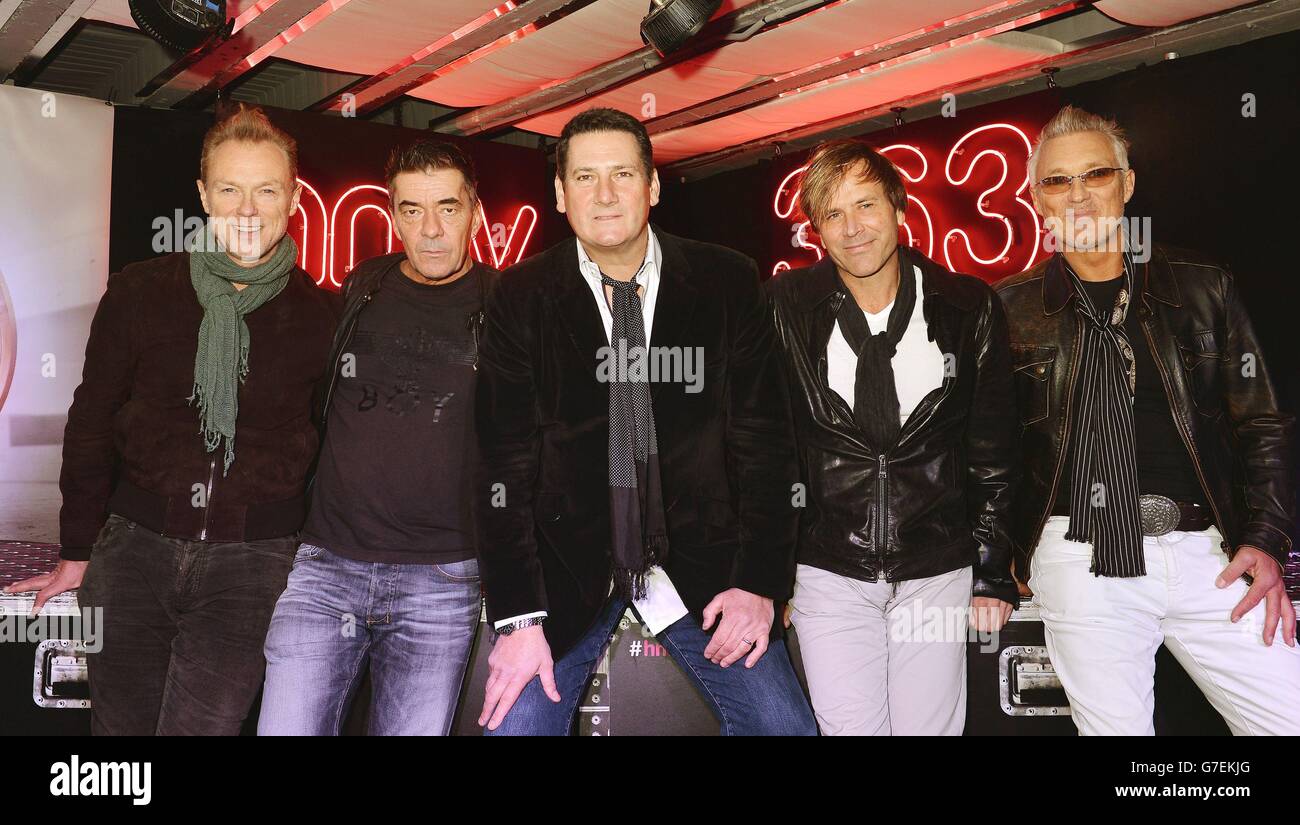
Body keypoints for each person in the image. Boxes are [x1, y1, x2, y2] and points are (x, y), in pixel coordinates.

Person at [474, 107, 816, 736]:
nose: (604, 195)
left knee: (785, 729)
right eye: (584, 178)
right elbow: (500, 467)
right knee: (516, 729)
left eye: (623, 174)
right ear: (559, 194)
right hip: (566, 574)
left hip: (701, 568)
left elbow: (766, 445)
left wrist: (758, 584)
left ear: (653, 186)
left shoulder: (727, 280)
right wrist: (518, 619)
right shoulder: (519, 295)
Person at [4, 104, 340, 734]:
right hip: (134, 552)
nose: (247, 209)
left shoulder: (322, 314)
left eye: (266, 190)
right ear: (203, 196)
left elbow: (326, 443)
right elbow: (92, 419)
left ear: (292, 197)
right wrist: (78, 548)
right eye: (230, 189)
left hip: (253, 563)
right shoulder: (141, 290)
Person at [996, 104, 1300, 735]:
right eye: (1058, 181)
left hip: (1207, 555)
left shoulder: (1202, 285)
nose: (1078, 194)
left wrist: (1266, 540)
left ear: (1127, 184)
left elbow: (1263, 421)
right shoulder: (1007, 310)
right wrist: (1001, 558)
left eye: (1096, 174)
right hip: (1079, 553)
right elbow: (987, 451)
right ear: (1036, 198)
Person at [767, 139, 1018, 735]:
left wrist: (991, 568)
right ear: (817, 232)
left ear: (900, 213)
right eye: (833, 213)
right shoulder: (784, 307)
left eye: (866, 206)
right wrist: (767, 573)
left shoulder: (965, 306)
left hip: (936, 567)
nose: (853, 228)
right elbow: (766, 450)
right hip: (828, 570)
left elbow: (994, 449)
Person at [259, 140, 497, 735]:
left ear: (474, 209)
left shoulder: (507, 308)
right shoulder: (364, 287)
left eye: (448, 206)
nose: (433, 229)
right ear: (393, 216)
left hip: (441, 581)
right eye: (413, 210)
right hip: (324, 567)